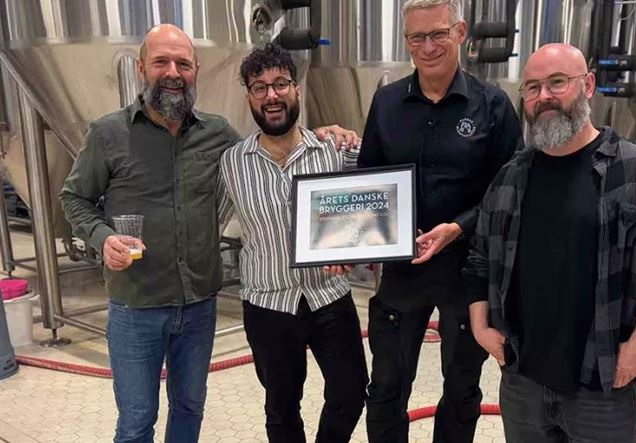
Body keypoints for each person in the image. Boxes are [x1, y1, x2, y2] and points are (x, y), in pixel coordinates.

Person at [59, 24, 357, 443]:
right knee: (137, 420)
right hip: (138, 301)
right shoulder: (110, 134)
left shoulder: (220, 137)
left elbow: (292, 154)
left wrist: (328, 133)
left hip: (200, 302)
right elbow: (74, 198)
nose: (173, 72)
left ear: (196, 70)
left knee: (190, 407)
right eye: (161, 62)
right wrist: (102, 237)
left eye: (183, 63)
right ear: (142, 68)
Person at [464, 43, 636, 442]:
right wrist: (480, 326)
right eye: (533, 87)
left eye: (557, 82)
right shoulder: (510, 178)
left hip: (601, 382)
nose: (544, 96)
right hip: (521, 379)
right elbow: (479, 257)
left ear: (588, 85)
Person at [357, 1, 523, 441]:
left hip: (468, 273)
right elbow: (368, 180)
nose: (428, 47)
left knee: (463, 388)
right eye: (417, 37)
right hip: (402, 270)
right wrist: (362, 236)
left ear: (460, 32)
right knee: (386, 387)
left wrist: (459, 227)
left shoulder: (493, 106)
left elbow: (511, 190)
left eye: (438, 34)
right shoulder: (387, 103)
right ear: (406, 41)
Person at [219, 43, 368, 443]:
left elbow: (375, 201)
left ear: (297, 89)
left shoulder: (335, 150)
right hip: (268, 303)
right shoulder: (232, 163)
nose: (272, 95)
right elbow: (208, 221)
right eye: (260, 87)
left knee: (351, 393)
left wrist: (353, 247)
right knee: (282, 408)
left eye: (281, 83)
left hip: (328, 295)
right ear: (249, 98)